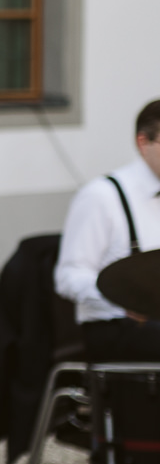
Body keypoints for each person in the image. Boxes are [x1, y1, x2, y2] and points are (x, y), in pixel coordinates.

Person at [55, 98, 160, 362]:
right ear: (143, 142)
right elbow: (68, 275)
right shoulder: (101, 196)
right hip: (116, 328)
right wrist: (121, 300)